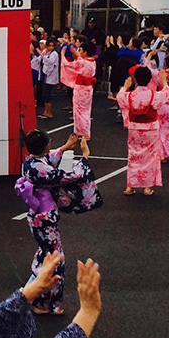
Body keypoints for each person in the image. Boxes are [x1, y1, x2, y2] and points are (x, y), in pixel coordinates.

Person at [16, 129, 100, 315]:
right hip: (45, 217)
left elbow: (47, 161)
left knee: (45, 253)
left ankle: (33, 291)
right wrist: (84, 157)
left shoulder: (29, 163)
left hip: (38, 215)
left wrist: (63, 148)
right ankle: (44, 303)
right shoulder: (40, 169)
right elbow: (67, 176)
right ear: (46, 146)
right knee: (55, 259)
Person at [116, 66, 169, 196]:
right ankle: (147, 187)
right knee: (151, 158)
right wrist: (163, 82)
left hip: (135, 128)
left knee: (134, 156)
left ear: (135, 79)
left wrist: (125, 86)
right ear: (149, 79)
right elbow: (166, 93)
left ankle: (130, 186)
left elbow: (119, 97)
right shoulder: (153, 95)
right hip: (151, 128)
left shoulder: (130, 95)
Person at [63, 41, 96, 142]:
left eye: (81, 50)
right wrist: (75, 52)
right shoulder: (92, 61)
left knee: (78, 110)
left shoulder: (82, 62)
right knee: (86, 110)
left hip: (80, 88)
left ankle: (82, 132)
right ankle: (84, 132)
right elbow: (80, 59)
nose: (79, 51)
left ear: (85, 52)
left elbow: (68, 65)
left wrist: (63, 55)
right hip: (88, 88)